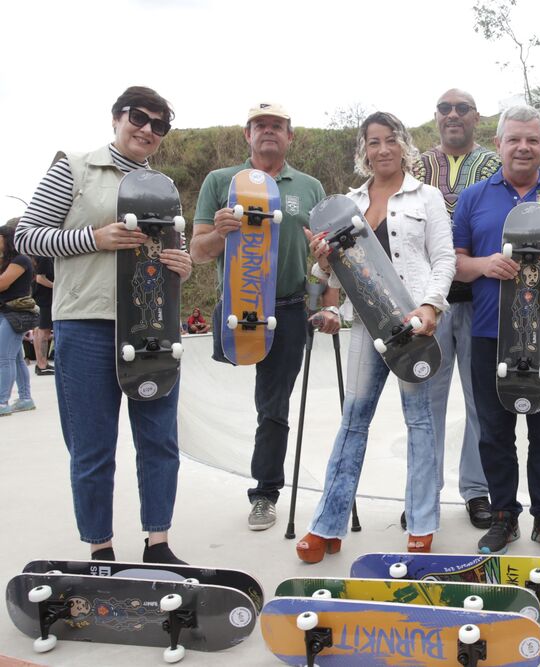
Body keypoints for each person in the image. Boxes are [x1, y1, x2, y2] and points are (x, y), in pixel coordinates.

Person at [15, 86, 191, 562]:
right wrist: (94, 237)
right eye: (139, 118)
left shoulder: (165, 187)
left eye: (160, 125)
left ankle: (159, 544)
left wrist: (183, 264)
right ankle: (101, 550)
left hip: (152, 327)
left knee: (159, 442)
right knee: (93, 449)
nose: (148, 130)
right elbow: (29, 236)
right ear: (116, 117)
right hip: (87, 326)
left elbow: (177, 250)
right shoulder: (74, 167)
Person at [295, 111, 455, 561]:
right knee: (353, 422)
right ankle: (327, 525)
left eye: (390, 140)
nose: (382, 149)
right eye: (372, 142)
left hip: (413, 326)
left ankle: (422, 524)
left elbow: (443, 259)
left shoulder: (427, 198)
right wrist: (322, 263)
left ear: (404, 144)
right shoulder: (346, 204)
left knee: (420, 424)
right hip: (367, 324)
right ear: (363, 150)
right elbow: (328, 276)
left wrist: (430, 306)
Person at [191, 102, 336, 531]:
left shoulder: (309, 187)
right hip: (239, 307)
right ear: (246, 135)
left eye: (277, 126)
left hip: (291, 308)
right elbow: (198, 253)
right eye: (260, 126)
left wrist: (328, 303)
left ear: (291, 136)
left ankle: (264, 493)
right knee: (259, 402)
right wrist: (220, 230)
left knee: (273, 407)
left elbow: (329, 255)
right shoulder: (221, 182)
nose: (268, 132)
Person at [453, 105, 540, 556]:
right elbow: (454, 263)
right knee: (494, 431)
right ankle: (504, 516)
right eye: (514, 139)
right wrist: (483, 264)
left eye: (532, 140)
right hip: (489, 334)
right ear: (499, 144)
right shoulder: (472, 198)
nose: (523, 147)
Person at [412, 89, 500, 530]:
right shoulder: (416, 168)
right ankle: (423, 489)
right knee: (426, 399)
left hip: (482, 298)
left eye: (461, 108)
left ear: (476, 117)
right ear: (436, 117)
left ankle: (477, 489)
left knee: (480, 400)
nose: (452, 115)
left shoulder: (496, 166)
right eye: (444, 108)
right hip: (430, 304)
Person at [0, 223, 36, 415]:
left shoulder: (21, 260)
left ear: (7, 239)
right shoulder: (9, 260)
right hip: (8, 313)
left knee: (3, 358)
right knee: (15, 358)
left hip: (15, 314)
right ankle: (25, 398)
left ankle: (2, 402)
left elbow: (3, 284)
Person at [31, 254, 55, 374]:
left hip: (40, 298)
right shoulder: (45, 257)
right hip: (44, 299)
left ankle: (42, 363)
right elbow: (40, 278)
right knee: (43, 331)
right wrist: (57, 286)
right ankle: (42, 364)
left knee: (39, 331)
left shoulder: (40, 256)